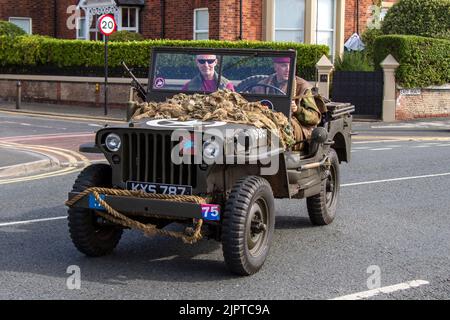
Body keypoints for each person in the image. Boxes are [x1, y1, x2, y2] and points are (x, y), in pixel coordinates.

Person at [252, 57, 321, 151]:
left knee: (285, 125)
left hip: (295, 129)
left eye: (291, 66)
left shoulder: (302, 87)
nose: (288, 69)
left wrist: (297, 110)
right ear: (275, 67)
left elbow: (315, 118)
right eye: (284, 65)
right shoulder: (262, 86)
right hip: (266, 122)